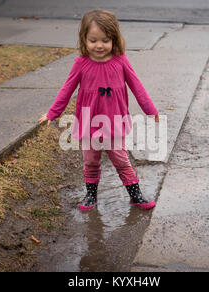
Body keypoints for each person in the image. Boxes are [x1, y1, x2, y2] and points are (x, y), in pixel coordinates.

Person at [38, 9, 159, 211]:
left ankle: (135, 194)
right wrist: (52, 113)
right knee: (91, 160)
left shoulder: (121, 61)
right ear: (84, 39)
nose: (99, 46)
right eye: (93, 40)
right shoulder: (81, 64)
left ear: (114, 38)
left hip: (114, 121)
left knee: (121, 159)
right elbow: (66, 89)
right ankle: (90, 195)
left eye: (105, 40)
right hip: (89, 122)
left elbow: (137, 86)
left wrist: (150, 109)